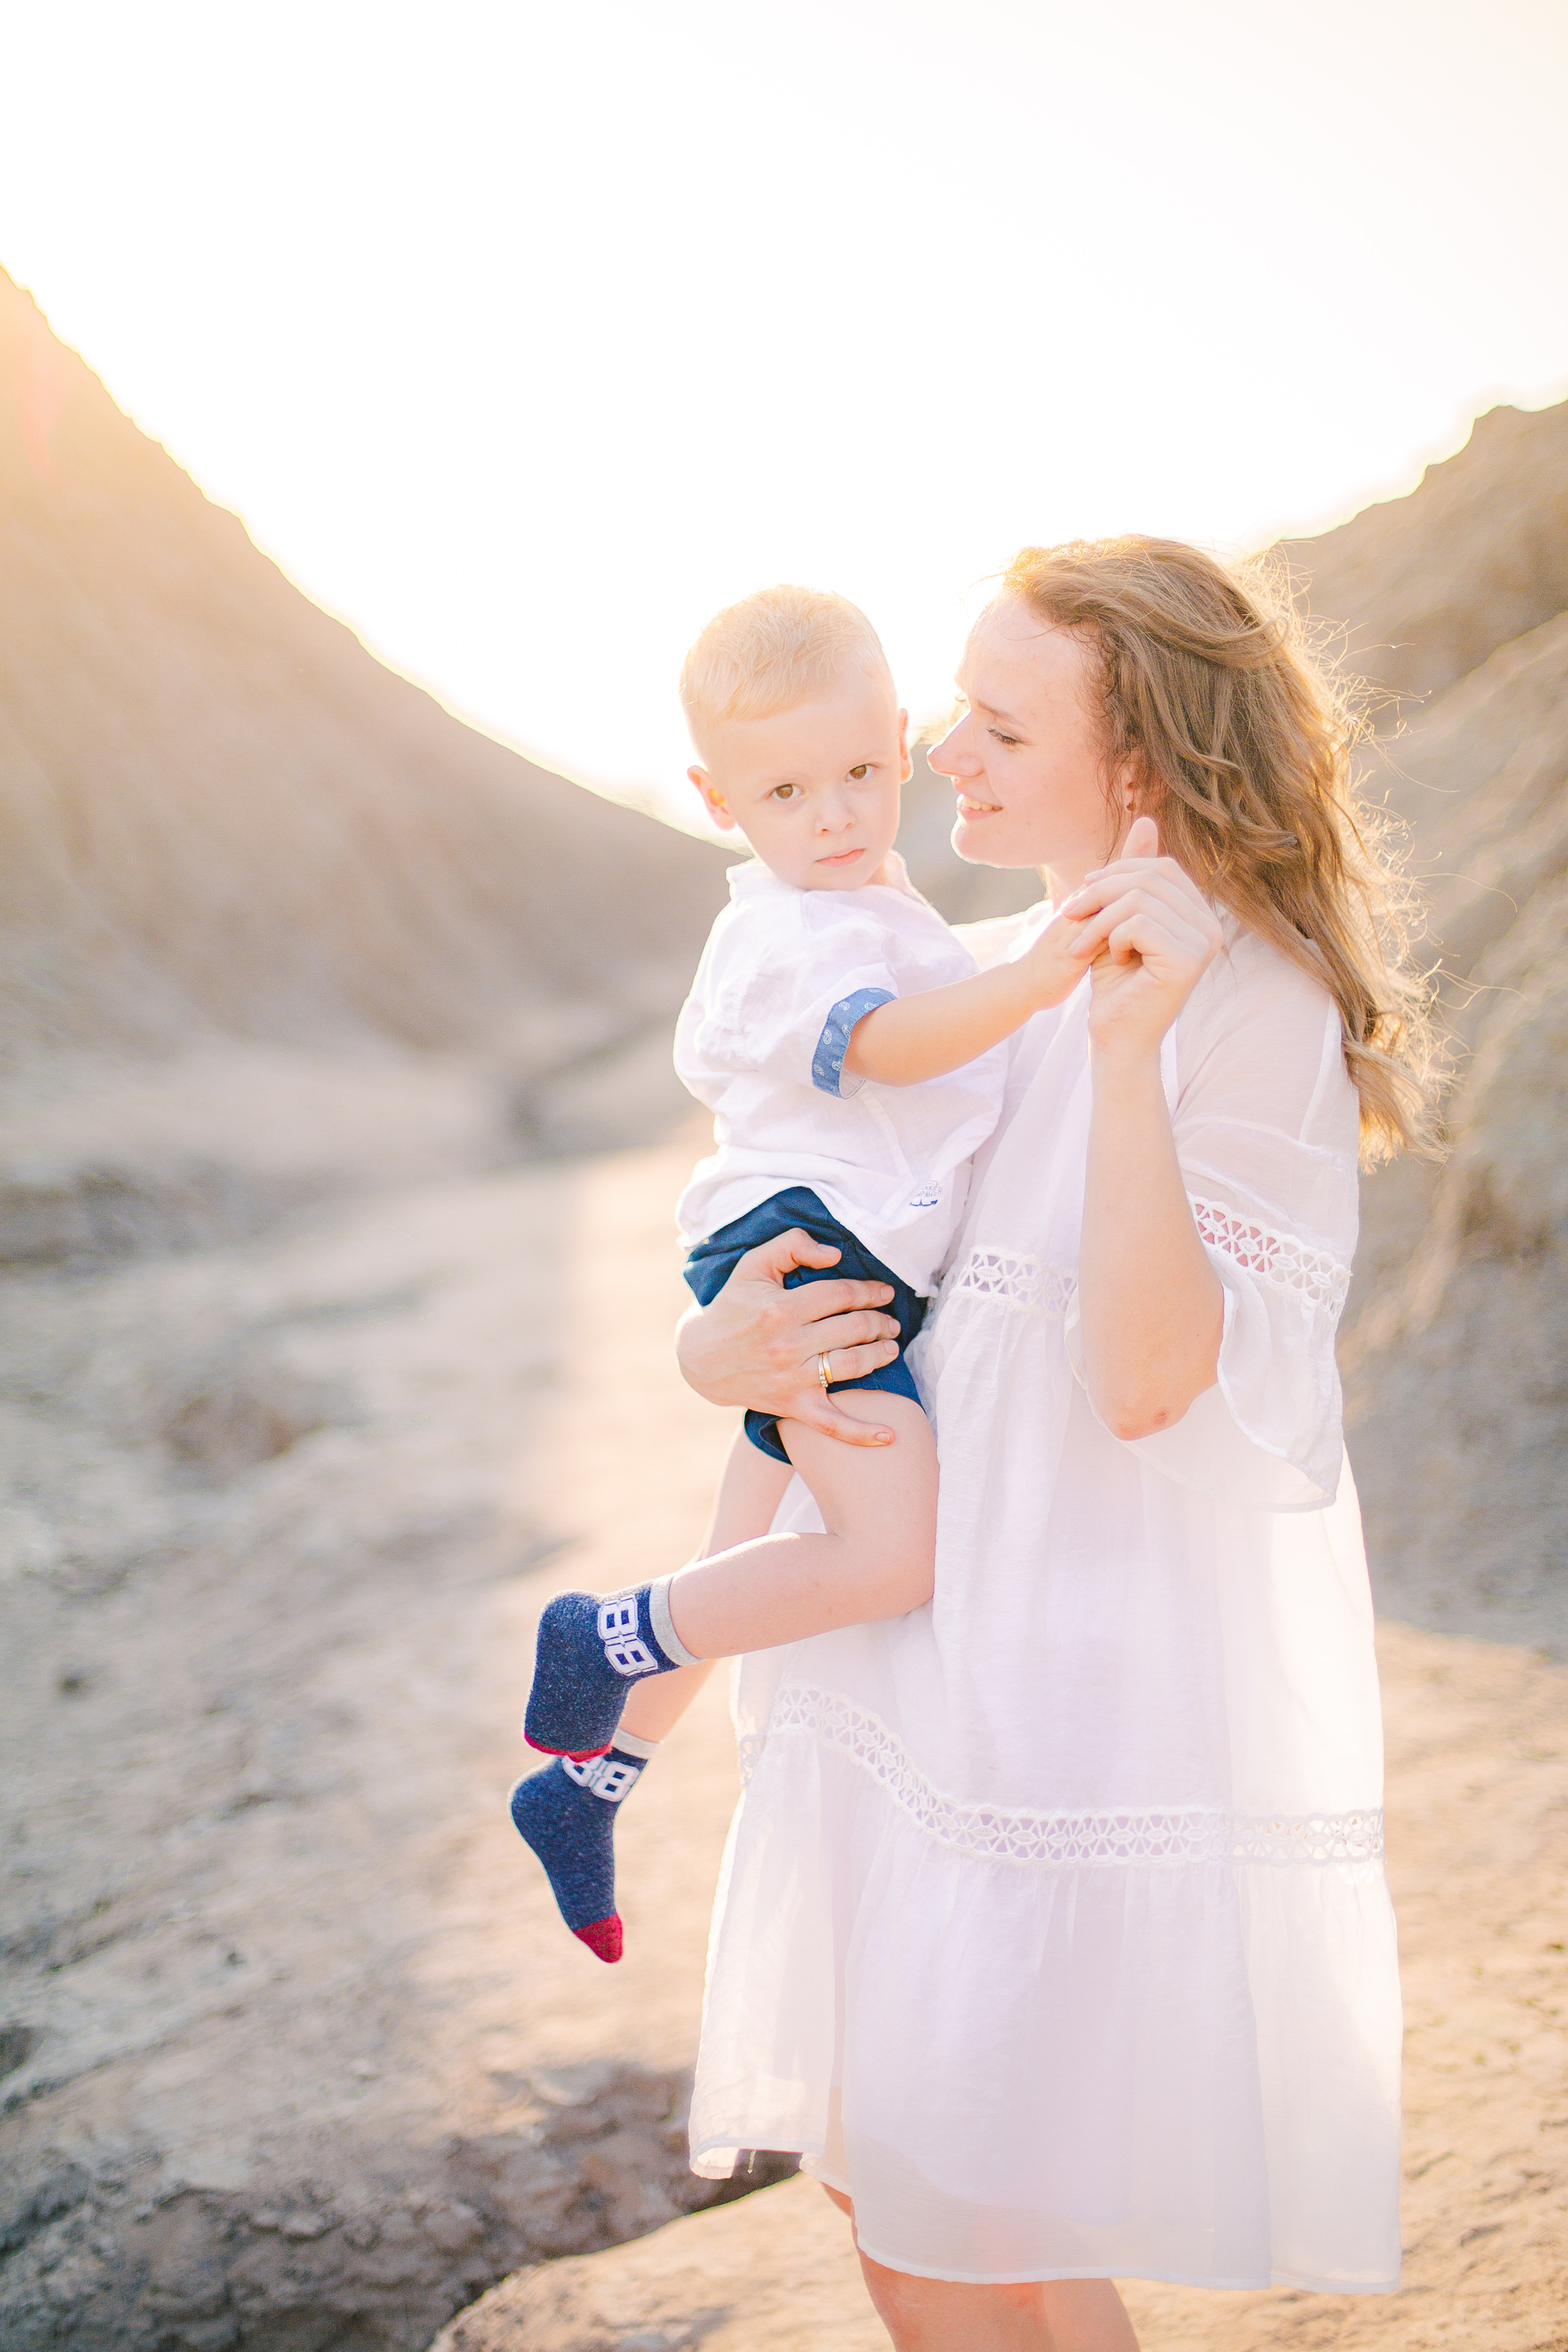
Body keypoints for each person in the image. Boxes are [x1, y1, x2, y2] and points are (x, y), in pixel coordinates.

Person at [671, 540, 1434, 2350]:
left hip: (1051, 1691)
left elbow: (1156, 1377)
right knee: (895, 2182)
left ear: (1143, 772)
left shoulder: (1257, 1008)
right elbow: (842, 1232)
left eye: (1000, 724)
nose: (943, 752)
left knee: (969, 2204)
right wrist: (720, 1351)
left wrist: (1125, 1051)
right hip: (910, 1642)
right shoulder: (990, 957)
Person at [510, 584, 1120, 1962]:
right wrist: (1038, 988)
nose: (836, 816)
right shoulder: (791, 938)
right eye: (787, 791)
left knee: (752, 1549)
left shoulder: (869, 897)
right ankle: (603, 1633)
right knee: (884, 1555)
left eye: (856, 773)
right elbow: (893, 1043)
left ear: (899, 743)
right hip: (811, 1254)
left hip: (828, 1246)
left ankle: (590, 1781)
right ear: (716, 799)